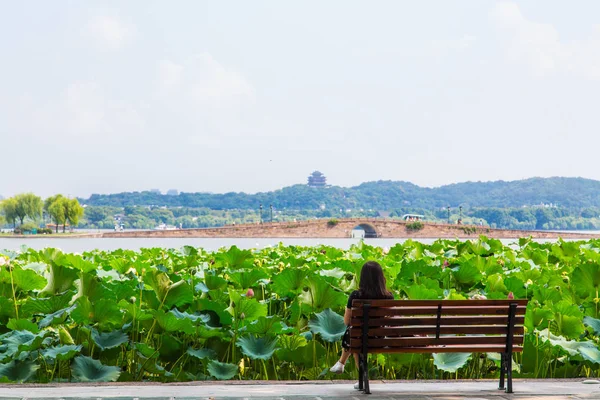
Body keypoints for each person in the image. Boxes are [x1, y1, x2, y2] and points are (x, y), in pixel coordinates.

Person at [330, 261, 394, 382]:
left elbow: (346, 321)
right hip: (381, 340)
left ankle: (345, 366)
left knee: (356, 337)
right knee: (357, 336)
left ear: (362, 278)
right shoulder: (389, 296)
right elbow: (390, 320)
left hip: (360, 339)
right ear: (381, 277)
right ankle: (341, 364)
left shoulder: (355, 295)